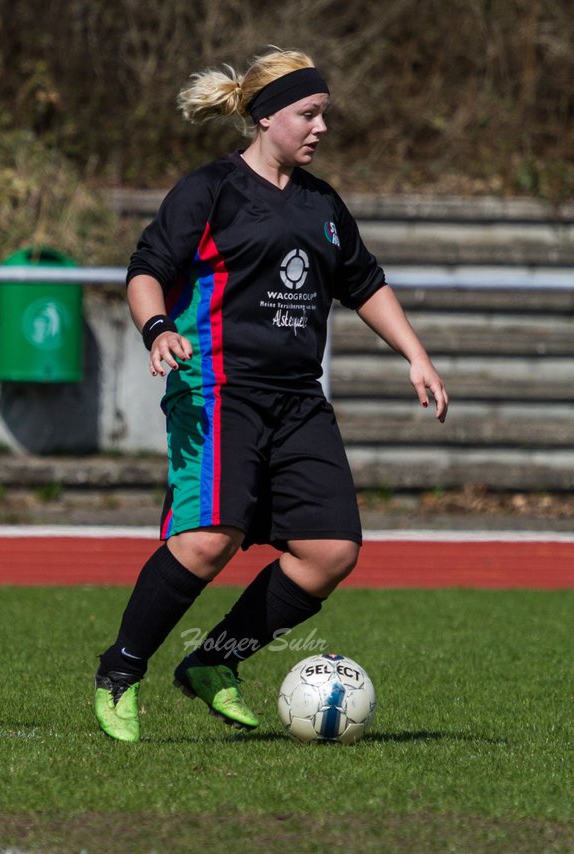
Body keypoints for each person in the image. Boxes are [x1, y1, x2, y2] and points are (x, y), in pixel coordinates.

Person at [93, 48, 449, 742]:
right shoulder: (210, 190)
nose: (320, 127)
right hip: (218, 388)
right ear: (263, 118)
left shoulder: (322, 203)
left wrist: (416, 355)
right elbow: (145, 272)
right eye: (307, 114)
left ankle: (214, 663)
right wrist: (157, 327)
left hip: (297, 398)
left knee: (330, 551)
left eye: (324, 114)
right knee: (207, 541)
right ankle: (120, 672)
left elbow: (365, 284)